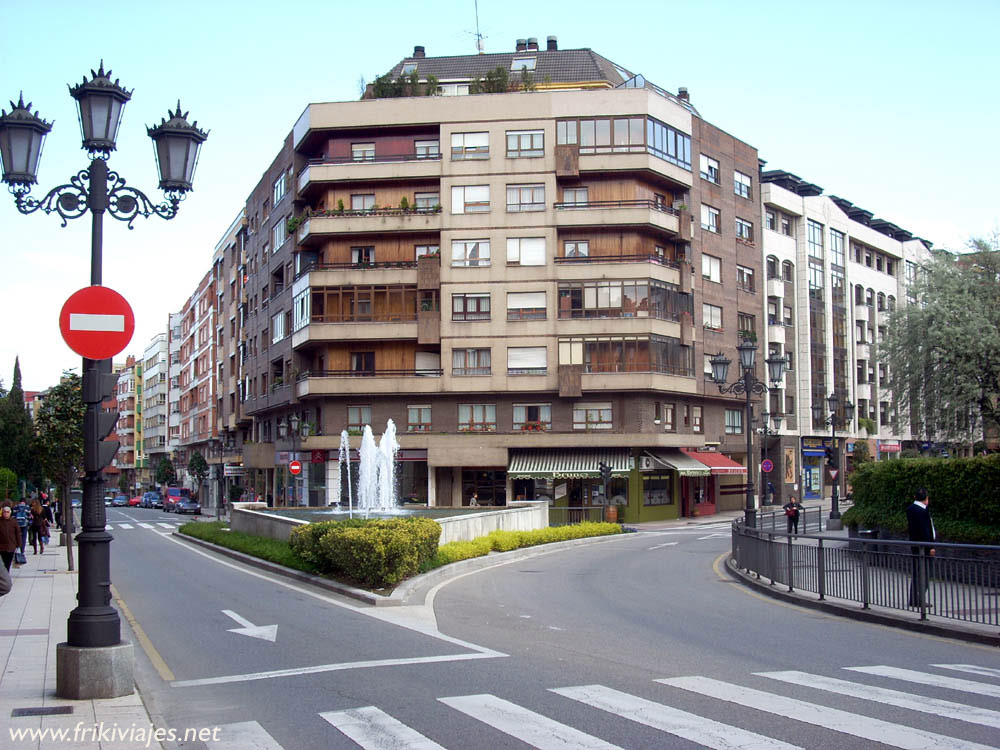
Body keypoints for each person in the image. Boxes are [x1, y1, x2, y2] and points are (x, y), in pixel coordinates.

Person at [906, 487, 935, 608]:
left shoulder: (911, 509)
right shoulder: (921, 511)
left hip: (916, 546)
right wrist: (930, 547)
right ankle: (918, 599)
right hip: (923, 547)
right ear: (926, 498)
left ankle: (915, 598)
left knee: (917, 573)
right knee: (924, 573)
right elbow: (925, 531)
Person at [0, 503, 22, 571]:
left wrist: (19, 544)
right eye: (4, 512)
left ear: (10, 513)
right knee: (2, 563)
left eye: (7, 512)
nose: (6, 514)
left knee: (8, 563)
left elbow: (18, 533)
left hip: (11, 546)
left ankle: (6, 575)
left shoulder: (13, 521)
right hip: (1, 546)